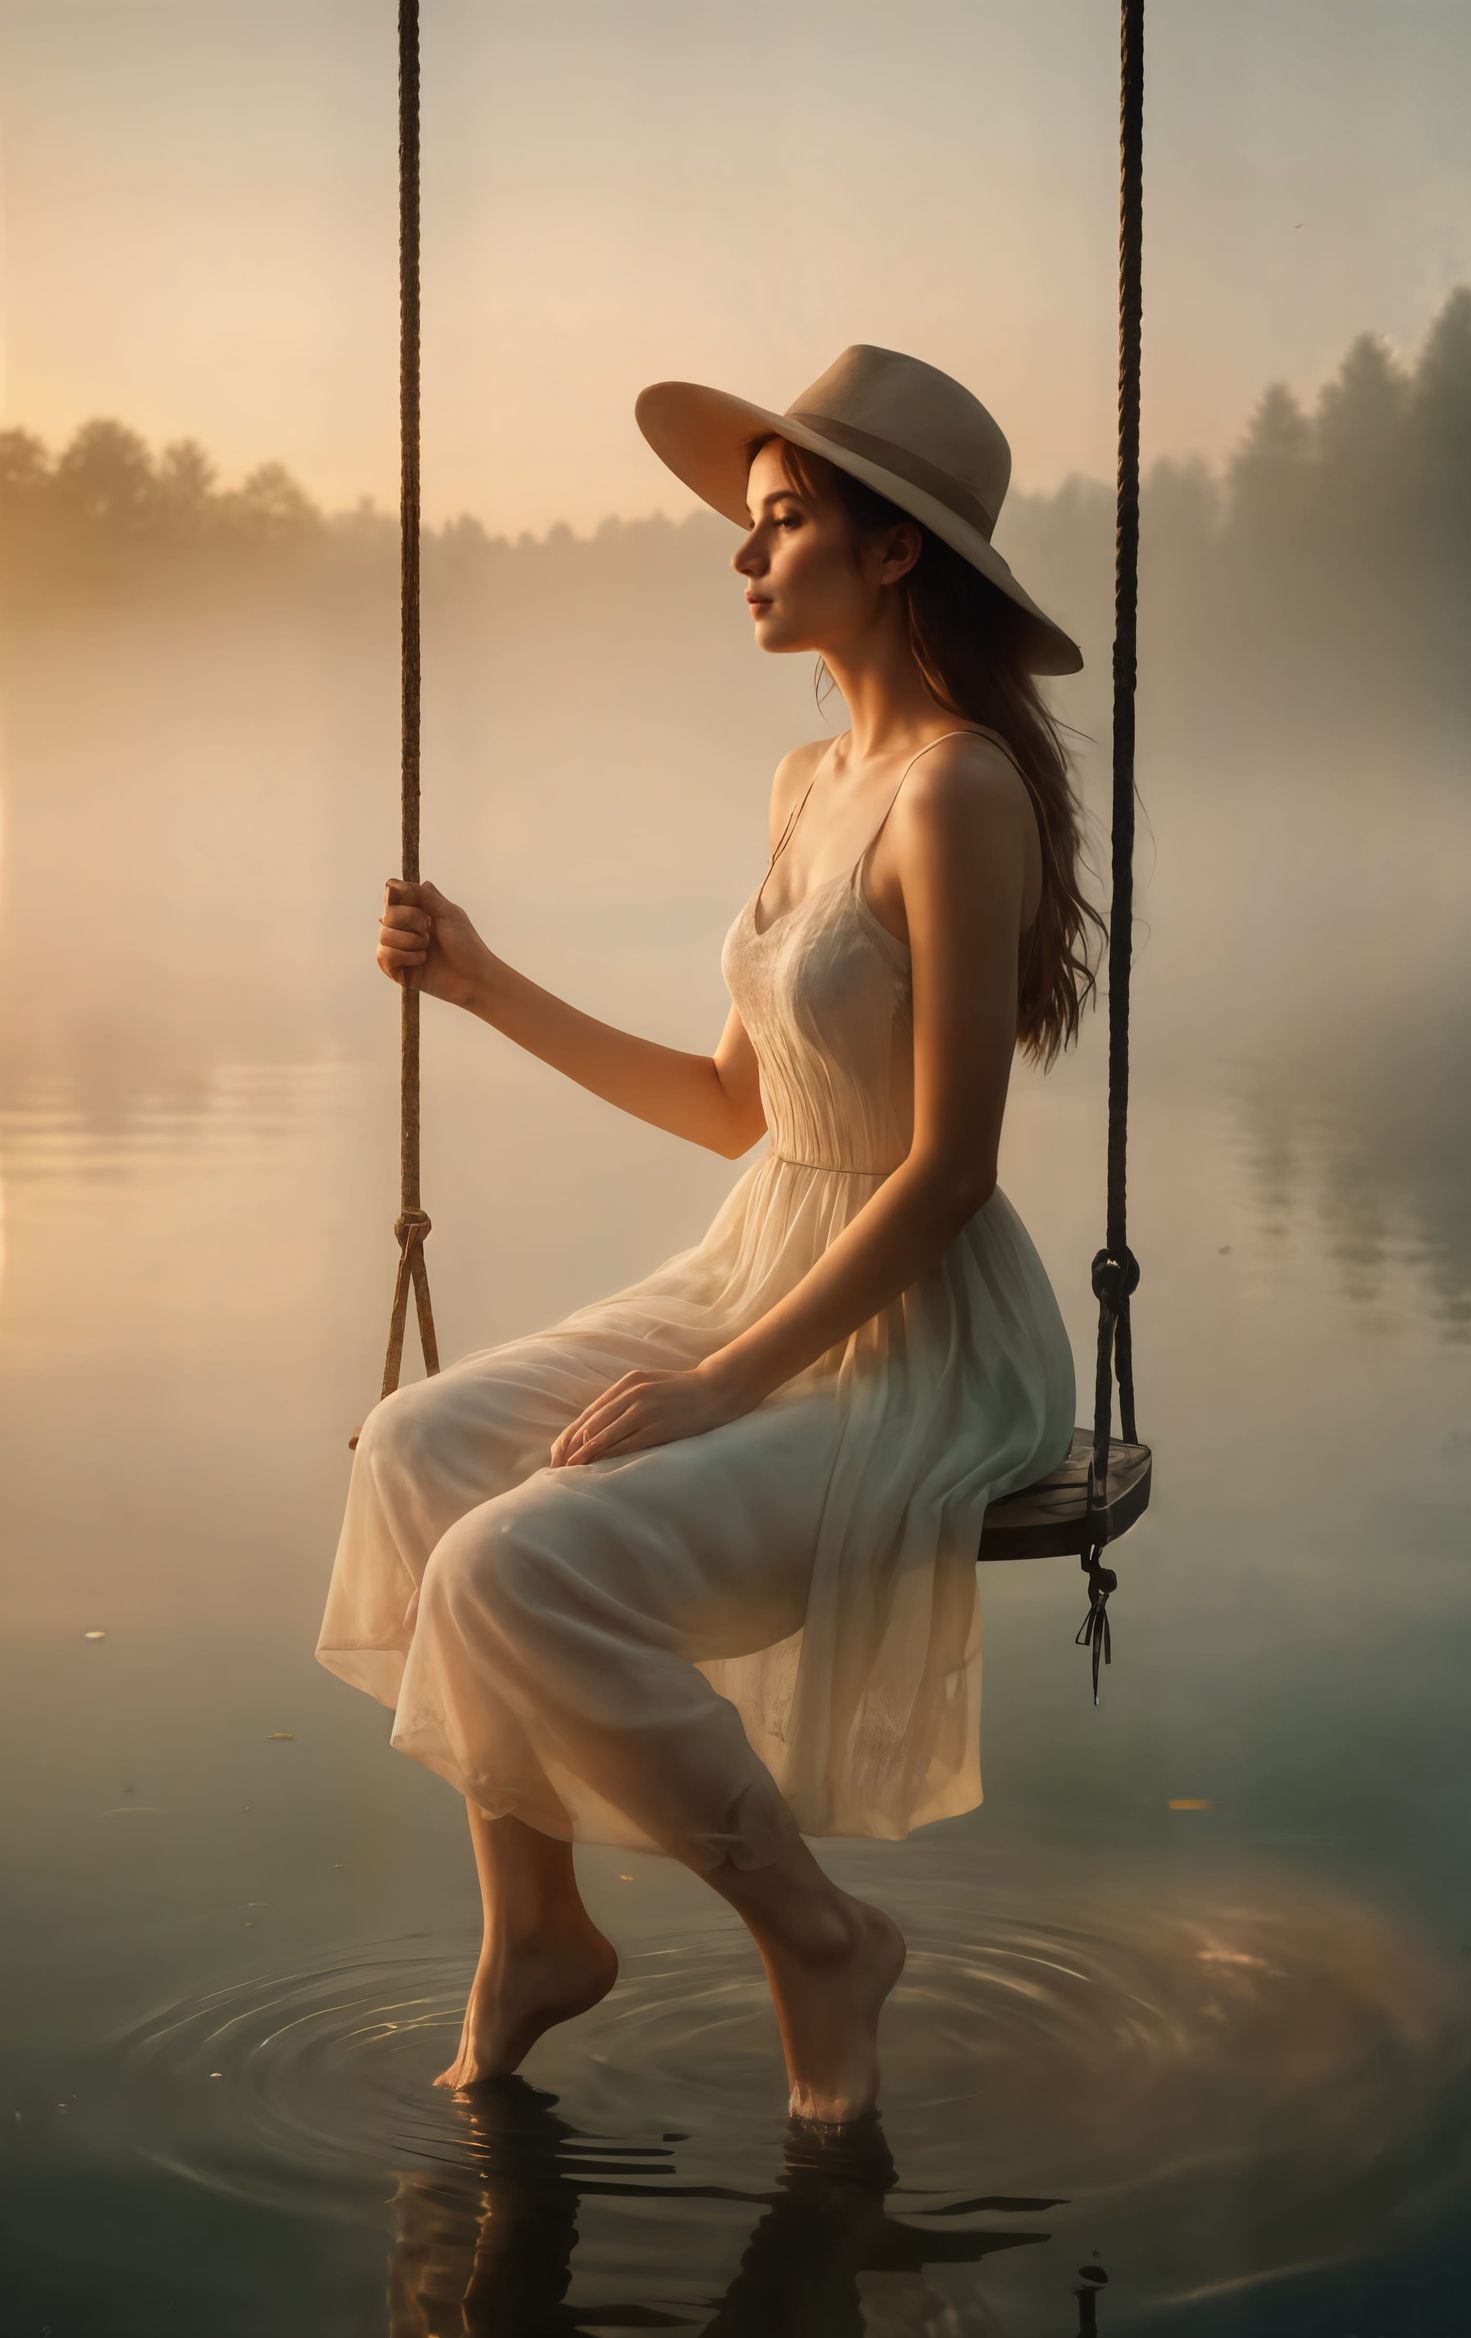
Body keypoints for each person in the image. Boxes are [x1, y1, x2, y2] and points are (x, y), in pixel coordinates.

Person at [315, 343, 1106, 2123]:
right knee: (423, 1448)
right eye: (750, 527)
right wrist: (483, 981)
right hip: (766, 1248)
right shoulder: (804, 783)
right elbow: (743, 1109)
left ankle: (818, 1935)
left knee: (516, 1567)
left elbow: (947, 1169)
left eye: (781, 522)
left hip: (915, 1320)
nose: (745, 559)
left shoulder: (958, 793)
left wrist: (718, 1387)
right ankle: (539, 1931)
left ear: (893, 552)